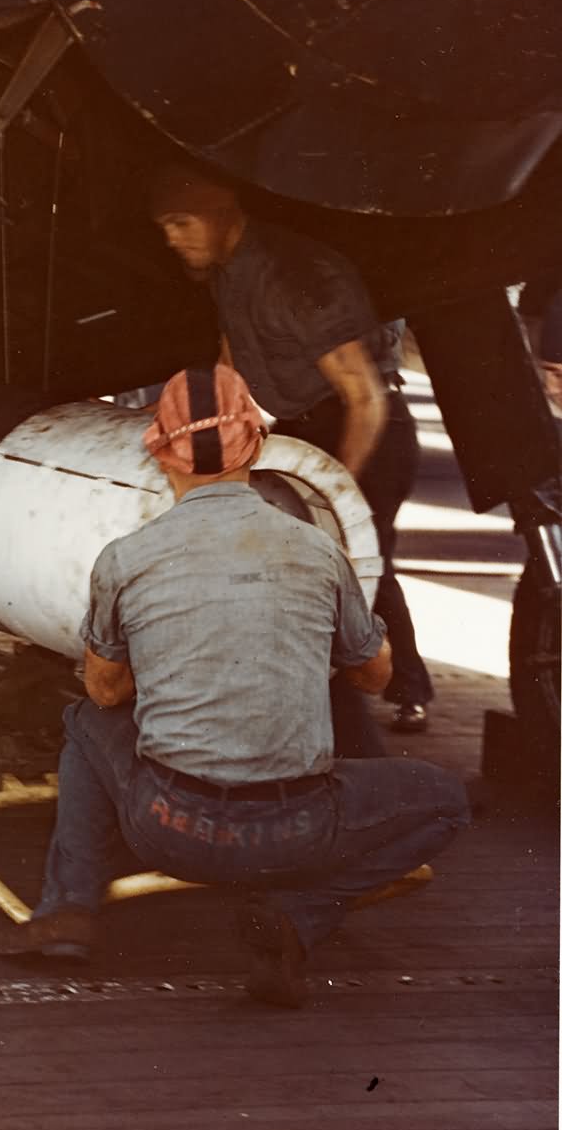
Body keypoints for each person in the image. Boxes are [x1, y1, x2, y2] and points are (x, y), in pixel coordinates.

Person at [0, 366, 470, 1007]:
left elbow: (106, 692)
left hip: (170, 827)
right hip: (298, 831)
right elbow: (375, 675)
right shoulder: (317, 550)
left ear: (161, 454)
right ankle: (297, 916)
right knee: (444, 800)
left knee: (83, 720)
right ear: (257, 448)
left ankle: (68, 909)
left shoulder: (126, 559)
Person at [148, 162, 434, 736]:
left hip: (367, 433)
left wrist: (334, 496)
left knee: (355, 561)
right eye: (164, 228)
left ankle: (400, 688)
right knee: (317, 561)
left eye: (181, 223)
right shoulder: (228, 269)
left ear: (223, 215)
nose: (172, 239)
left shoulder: (297, 274)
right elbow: (233, 352)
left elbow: (365, 396)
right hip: (309, 427)